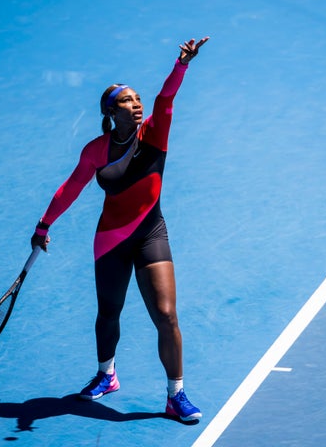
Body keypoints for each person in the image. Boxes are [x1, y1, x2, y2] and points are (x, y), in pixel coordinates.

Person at [30, 37, 209, 422]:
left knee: (166, 315)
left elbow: (166, 98)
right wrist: (44, 225)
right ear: (112, 112)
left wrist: (182, 65)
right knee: (108, 312)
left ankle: (175, 395)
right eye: (128, 100)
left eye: (137, 97)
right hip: (110, 239)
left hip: (150, 234)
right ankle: (106, 375)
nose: (137, 103)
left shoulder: (155, 132)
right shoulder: (96, 150)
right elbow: (70, 188)